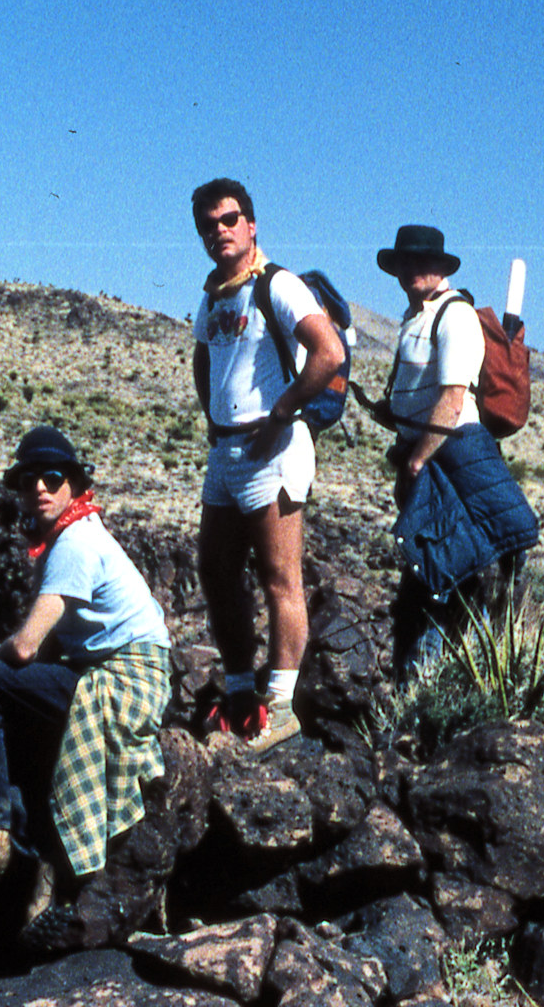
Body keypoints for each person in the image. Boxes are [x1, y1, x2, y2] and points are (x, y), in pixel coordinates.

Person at [0, 425, 172, 914]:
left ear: (74, 485)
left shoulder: (76, 542)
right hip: (114, 670)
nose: (38, 488)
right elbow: (43, 657)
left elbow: (26, 648)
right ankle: (35, 854)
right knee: (12, 710)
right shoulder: (72, 536)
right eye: (28, 481)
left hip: (124, 678)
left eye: (51, 477)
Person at [190, 178, 344, 750]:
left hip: (272, 448)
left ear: (251, 224)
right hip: (227, 449)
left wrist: (281, 412)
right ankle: (238, 691)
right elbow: (204, 358)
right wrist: (214, 418)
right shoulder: (213, 294)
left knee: (280, 577)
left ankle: (279, 705)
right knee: (216, 569)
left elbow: (329, 352)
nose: (219, 232)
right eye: (209, 225)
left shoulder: (279, 285)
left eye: (229, 220)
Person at [375, 225, 538, 682]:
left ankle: (429, 690)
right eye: (405, 263)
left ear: (442, 268)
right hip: (433, 456)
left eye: (422, 262)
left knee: (442, 581)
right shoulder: (416, 317)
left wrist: (415, 460)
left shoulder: (455, 315)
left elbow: (451, 400)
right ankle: (442, 686)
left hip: (451, 457)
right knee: (440, 577)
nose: (412, 271)